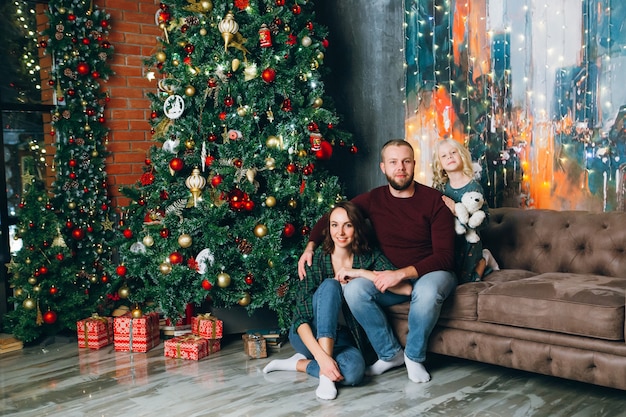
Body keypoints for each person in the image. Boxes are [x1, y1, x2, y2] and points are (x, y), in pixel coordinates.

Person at [298, 139, 457, 383]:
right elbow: (333, 216)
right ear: (383, 167)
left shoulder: (434, 201)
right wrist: (310, 247)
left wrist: (400, 273)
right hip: (390, 277)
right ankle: (390, 354)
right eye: (393, 162)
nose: (400, 168)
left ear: (414, 165)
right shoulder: (374, 199)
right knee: (354, 289)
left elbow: (445, 257)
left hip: (433, 272)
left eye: (405, 161)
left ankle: (413, 358)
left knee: (426, 291)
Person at [263, 201, 405, 399]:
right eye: (334, 225)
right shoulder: (317, 259)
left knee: (354, 373)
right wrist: (323, 358)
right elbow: (300, 318)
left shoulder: (369, 256)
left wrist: (362, 273)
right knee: (330, 286)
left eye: (348, 225)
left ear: (356, 227)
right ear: (328, 228)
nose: (341, 232)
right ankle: (326, 376)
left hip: (346, 338)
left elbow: (406, 288)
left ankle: (300, 364)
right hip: (309, 335)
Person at [432, 138, 498, 283]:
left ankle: (483, 260)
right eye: (444, 156)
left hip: (470, 241)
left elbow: (485, 219)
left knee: (467, 281)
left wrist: (456, 210)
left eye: (453, 152)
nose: (449, 156)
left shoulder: (474, 186)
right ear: (440, 165)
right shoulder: (441, 188)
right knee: (451, 277)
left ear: (461, 156)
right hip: (450, 239)